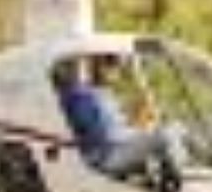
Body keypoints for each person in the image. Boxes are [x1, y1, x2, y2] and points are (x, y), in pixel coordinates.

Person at [55, 55, 178, 183]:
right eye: (111, 65)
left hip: (115, 148)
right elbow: (103, 136)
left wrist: (139, 126)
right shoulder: (81, 96)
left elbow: (116, 127)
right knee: (163, 137)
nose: (116, 71)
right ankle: (173, 183)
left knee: (174, 128)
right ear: (96, 67)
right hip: (105, 156)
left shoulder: (105, 94)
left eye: (115, 66)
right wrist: (140, 133)